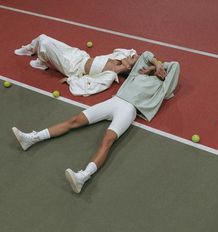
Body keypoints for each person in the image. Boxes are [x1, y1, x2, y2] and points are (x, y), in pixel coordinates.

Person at [12, 51, 180, 193]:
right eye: (161, 69)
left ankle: (83, 177)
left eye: (164, 71)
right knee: (74, 120)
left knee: (107, 141)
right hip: (114, 101)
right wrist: (154, 66)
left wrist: (159, 67)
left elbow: (175, 66)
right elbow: (147, 54)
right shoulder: (137, 74)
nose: (162, 71)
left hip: (129, 110)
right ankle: (31, 138)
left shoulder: (162, 89)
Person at [14, 34, 138, 96]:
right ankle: (32, 51)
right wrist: (132, 58)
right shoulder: (118, 57)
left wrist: (70, 80)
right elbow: (132, 51)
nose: (130, 56)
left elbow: (90, 86)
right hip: (78, 56)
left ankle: (40, 59)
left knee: (45, 42)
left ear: (129, 68)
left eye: (132, 59)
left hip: (72, 68)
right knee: (42, 37)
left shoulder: (110, 76)